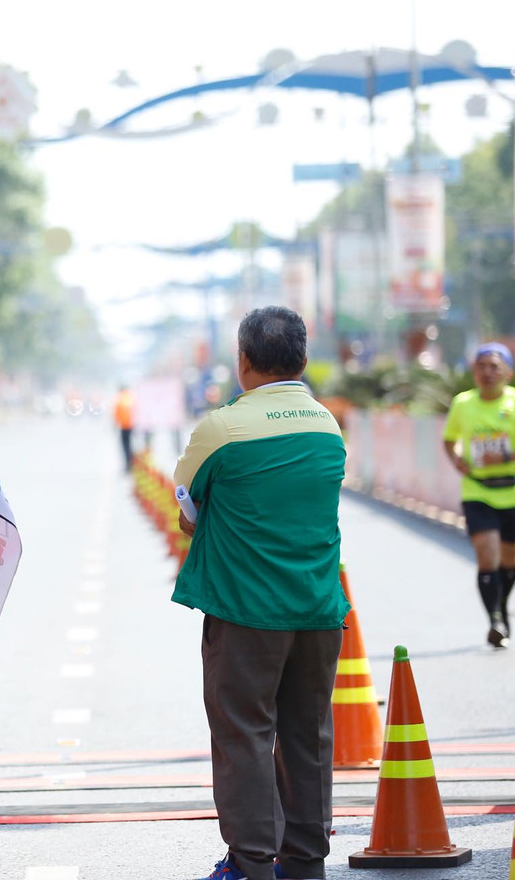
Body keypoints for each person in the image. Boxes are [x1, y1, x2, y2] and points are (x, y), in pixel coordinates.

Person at [172, 306, 346, 880]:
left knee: (245, 734)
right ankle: (306, 864)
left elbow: (189, 508)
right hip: (318, 609)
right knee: (308, 736)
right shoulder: (326, 424)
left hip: (247, 611)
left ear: (243, 361)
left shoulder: (222, 428)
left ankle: (252, 864)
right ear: (303, 358)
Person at [442, 343, 515, 648]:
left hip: (514, 491)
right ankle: (495, 620)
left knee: (510, 558)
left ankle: (501, 606)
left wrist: (505, 457)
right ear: (473, 372)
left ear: (508, 373)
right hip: (477, 490)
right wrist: (457, 460)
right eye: (481, 366)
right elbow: (449, 440)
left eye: (494, 366)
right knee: (486, 554)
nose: (487, 372)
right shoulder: (463, 403)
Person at [114, 384, 137, 470]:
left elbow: (116, 413)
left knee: (125, 445)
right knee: (131, 444)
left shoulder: (119, 399)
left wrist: (115, 424)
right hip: (132, 425)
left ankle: (128, 463)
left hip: (124, 426)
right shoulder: (131, 398)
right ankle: (132, 462)